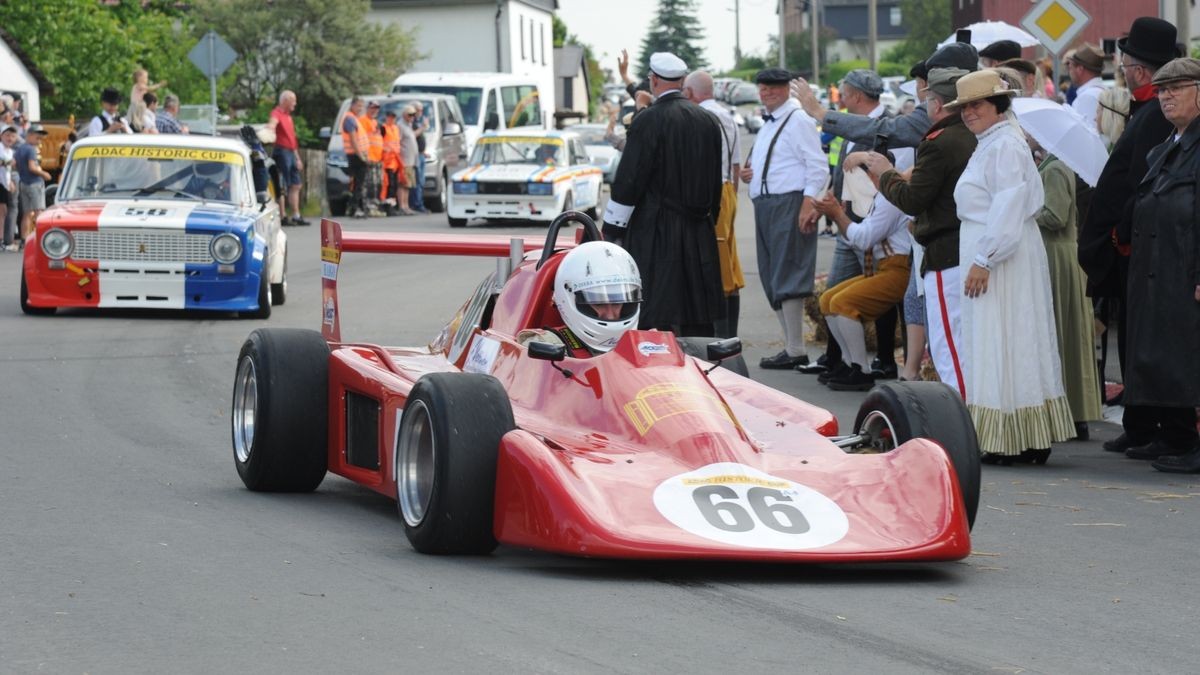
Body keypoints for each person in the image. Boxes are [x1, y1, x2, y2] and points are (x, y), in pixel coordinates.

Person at [945, 69, 1074, 463]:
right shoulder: (993, 141)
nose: (969, 113)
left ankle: (1013, 438)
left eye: (977, 105)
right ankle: (1022, 437)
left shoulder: (1003, 145)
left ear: (998, 105)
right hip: (997, 248)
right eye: (965, 107)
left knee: (1004, 335)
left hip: (1001, 254)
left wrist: (985, 258)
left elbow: (1008, 205)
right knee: (1008, 335)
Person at [1077, 17, 1178, 455]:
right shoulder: (1146, 106)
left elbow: (1145, 178)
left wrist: (1120, 232)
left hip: (1133, 241)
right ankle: (1138, 421)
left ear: (1138, 68)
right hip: (1124, 241)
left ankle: (1152, 423)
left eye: (1126, 61)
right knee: (1131, 337)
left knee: (1142, 339)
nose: (1122, 67)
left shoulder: (1156, 111)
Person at [864, 68, 977, 396]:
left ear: (937, 105)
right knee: (964, 344)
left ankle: (963, 425)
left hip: (945, 253)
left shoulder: (938, 142)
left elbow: (912, 201)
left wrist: (886, 174)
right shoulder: (971, 135)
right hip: (965, 248)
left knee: (948, 348)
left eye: (925, 99)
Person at [602, 52, 724, 338]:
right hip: (698, 225)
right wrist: (710, 218)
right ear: (681, 81)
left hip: (656, 228)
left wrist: (611, 229)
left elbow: (629, 179)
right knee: (697, 308)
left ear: (654, 80)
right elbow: (715, 181)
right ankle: (702, 368)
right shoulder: (707, 120)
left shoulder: (648, 120)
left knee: (657, 307)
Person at [1118, 58, 1200, 472]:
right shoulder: (1167, 146)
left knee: (1190, 355)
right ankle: (1176, 434)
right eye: (1162, 89)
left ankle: (1191, 440)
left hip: (1187, 269)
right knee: (1168, 355)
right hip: (1161, 267)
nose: (1166, 96)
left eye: (1177, 88)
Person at [804, 69, 899, 380]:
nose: (839, 99)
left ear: (858, 96)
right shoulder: (850, 126)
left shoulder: (891, 128)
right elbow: (842, 175)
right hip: (848, 222)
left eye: (843, 94)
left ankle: (884, 359)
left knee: (877, 296)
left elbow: (896, 173)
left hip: (877, 226)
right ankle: (838, 359)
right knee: (833, 292)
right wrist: (827, 204)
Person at [738, 67, 828, 368]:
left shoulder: (798, 119)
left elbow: (817, 166)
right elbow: (780, 162)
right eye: (763, 88)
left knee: (788, 274)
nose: (766, 93)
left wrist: (808, 204)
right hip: (767, 203)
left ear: (786, 89)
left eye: (773, 88)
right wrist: (753, 175)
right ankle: (791, 346)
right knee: (771, 275)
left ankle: (795, 348)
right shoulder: (770, 122)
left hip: (788, 203)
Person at [816, 146, 914, 390]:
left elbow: (864, 238)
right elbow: (860, 237)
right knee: (828, 299)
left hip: (898, 269)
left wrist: (838, 215)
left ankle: (861, 369)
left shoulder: (890, 198)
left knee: (841, 303)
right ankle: (852, 364)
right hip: (886, 267)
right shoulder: (881, 197)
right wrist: (840, 215)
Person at [1027, 135, 1103, 439]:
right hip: (1057, 254)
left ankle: (1074, 414)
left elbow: (1056, 216)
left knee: (1063, 334)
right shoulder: (1052, 164)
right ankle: (1073, 412)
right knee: (1064, 334)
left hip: (1057, 256)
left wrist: (1027, 209)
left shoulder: (1056, 168)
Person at [791, 42, 979, 150]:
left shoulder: (937, 111)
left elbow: (883, 130)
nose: (925, 92)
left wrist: (820, 113)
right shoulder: (984, 101)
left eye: (927, 85)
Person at [683, 69, 744, 339]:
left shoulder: (701, 117)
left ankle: (722, 336)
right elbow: (736, 163)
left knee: (718, 267)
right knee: (728, 262)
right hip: (727, 187)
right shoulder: (726, 115)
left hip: (712, 191)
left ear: (690, 93)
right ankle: (728, 333)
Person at [517, 240, 643, 356]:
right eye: (599, 304)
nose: (610, 316)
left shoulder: (645, 346)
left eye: (617, 303)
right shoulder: (542, 344)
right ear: (567, 299)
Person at [267, 91, 308, 225]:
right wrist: (270, 129)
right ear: (285, 100)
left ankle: (296, 214)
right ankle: (283, 216)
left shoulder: (289, 117)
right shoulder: (277, 113)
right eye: (293, 101)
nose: (295, 104)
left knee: (296, 184)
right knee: (282, 184)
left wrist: (297, 158)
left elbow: (292, 139)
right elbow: (272, 124)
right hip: (281, 151)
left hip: (291, 151)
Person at [15, 123, 51, 244]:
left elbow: (15, 164)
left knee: (26, 213)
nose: (39, 140)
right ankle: (40, 239)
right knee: (38, 212)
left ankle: (24, 239)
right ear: (29, 135)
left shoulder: (20, 148)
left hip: (23, 183)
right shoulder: (31, 149)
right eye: (37, 137)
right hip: (35, 183)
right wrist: (44, 174)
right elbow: (32, 167)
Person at [340, 97, 369, 218]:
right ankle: (356, 207)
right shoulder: (350, 118)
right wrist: (361, 155)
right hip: (356, 155)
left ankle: (356, 207)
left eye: (362, 106)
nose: (360, 108)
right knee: (358, 183)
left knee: (358, 182)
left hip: (356, 154)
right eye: (358, 106)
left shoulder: (354, 118)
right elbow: (353, 139)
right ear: (352, 105)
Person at [1068, 44, 1106, 132]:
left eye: (1070, 67)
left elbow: (1086, 137)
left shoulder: (1088, 97)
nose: (1069, 72)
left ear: (1080, 69)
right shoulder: (1101, 91)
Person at [360, 101, 385, 217]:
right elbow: (361, 138)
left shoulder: (376, 122)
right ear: (367, 108)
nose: (374, 110)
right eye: (372, 108)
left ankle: (374, 206)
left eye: (376, 108)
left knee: (377, 184)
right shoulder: (363, 121)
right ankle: (368, 207)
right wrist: (365, 156)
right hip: (369, 158)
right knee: (369, 184)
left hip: (378, 158)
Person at [398, 104, 421, 215]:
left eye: (413, 114)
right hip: (404, 160)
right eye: (410, 114)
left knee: (408, 184)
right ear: (404, 115)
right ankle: (402, 205)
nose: (412, 116)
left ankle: (406, 205)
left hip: (411, 160)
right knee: (403, 183)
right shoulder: (401, 126)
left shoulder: (409, 125)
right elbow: (398, 141)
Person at [381, 110, 404, 217]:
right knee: (389, 185)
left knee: (394, 186)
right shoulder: (383, 128)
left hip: (396, 162)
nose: (391, 119)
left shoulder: (395, 128)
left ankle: (393, 206)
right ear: (386, 117)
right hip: (387, 162)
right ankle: (387, 207)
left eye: (393, 117)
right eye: (389, 117)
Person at [129, 68, 166, 133]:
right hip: (136, 108)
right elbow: (150, 88)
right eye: (145, 77)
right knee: (138, 122)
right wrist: (159, 85)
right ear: (139, 78)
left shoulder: (142, 87)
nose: (147, 79)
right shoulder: (139, 85)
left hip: (140, 108)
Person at [408, 104, 429, 213]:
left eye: (421, 110)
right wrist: (423, 127)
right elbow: (412, 136)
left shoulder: (417, 122)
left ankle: (418, 203)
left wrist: (423, 151)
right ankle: (416, 204)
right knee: (417, 181)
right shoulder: (411, 123)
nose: (420, 112)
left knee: (421, 181)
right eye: (418, 110)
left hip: (420, 154)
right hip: (414, 156)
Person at [1097, 85, 1131, 150]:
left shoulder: (1123, 149)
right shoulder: (1116, 144)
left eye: (1097, 112)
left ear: (1108, 115)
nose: (1095, 119)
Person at [0, 124, 16, 251]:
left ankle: (3, 242)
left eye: (12, 136)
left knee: (3, 212)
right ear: (1, 136)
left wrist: (10, 182)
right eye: (7, 135)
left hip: (4, 184)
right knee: (2, 211)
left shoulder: (10, 151)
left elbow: (7, 170)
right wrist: (7, 163)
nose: (10, 138)